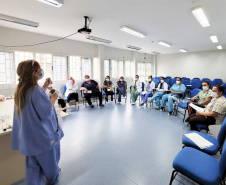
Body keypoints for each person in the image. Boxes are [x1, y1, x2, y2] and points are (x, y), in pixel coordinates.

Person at [12, 60, 64, 185]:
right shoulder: (35, 91)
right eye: (40, 69)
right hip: (43, 140)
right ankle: (53, 181)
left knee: (33, 170)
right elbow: (46, 112)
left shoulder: (21, 90)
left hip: (29, 141)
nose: (41, 71)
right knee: (51, 168)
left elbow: (35, 101)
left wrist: (45, 87)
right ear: (34, 73)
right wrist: (53, 98)